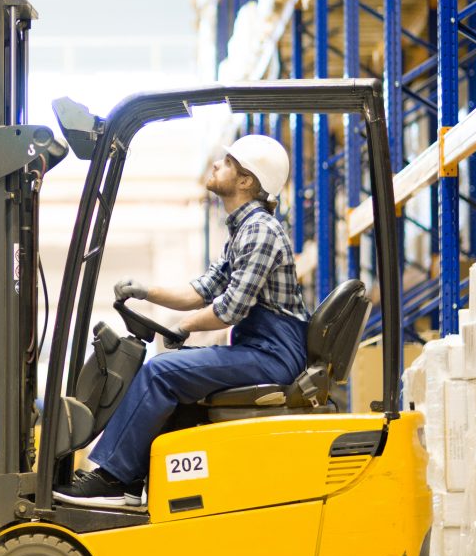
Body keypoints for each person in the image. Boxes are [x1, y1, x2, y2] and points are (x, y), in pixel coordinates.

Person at [54, 134, 310, 508]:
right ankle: (134, 474)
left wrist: (184, 327)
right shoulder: (243, 230)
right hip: (260, 348)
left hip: (273, 354)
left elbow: (230, 311)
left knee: (161, 372)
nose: (215, 166)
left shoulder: (260, 231)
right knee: (171, 372)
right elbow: (201, 291)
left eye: (225, 163)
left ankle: (115, 479)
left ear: (246, 181)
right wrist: (146, 292)